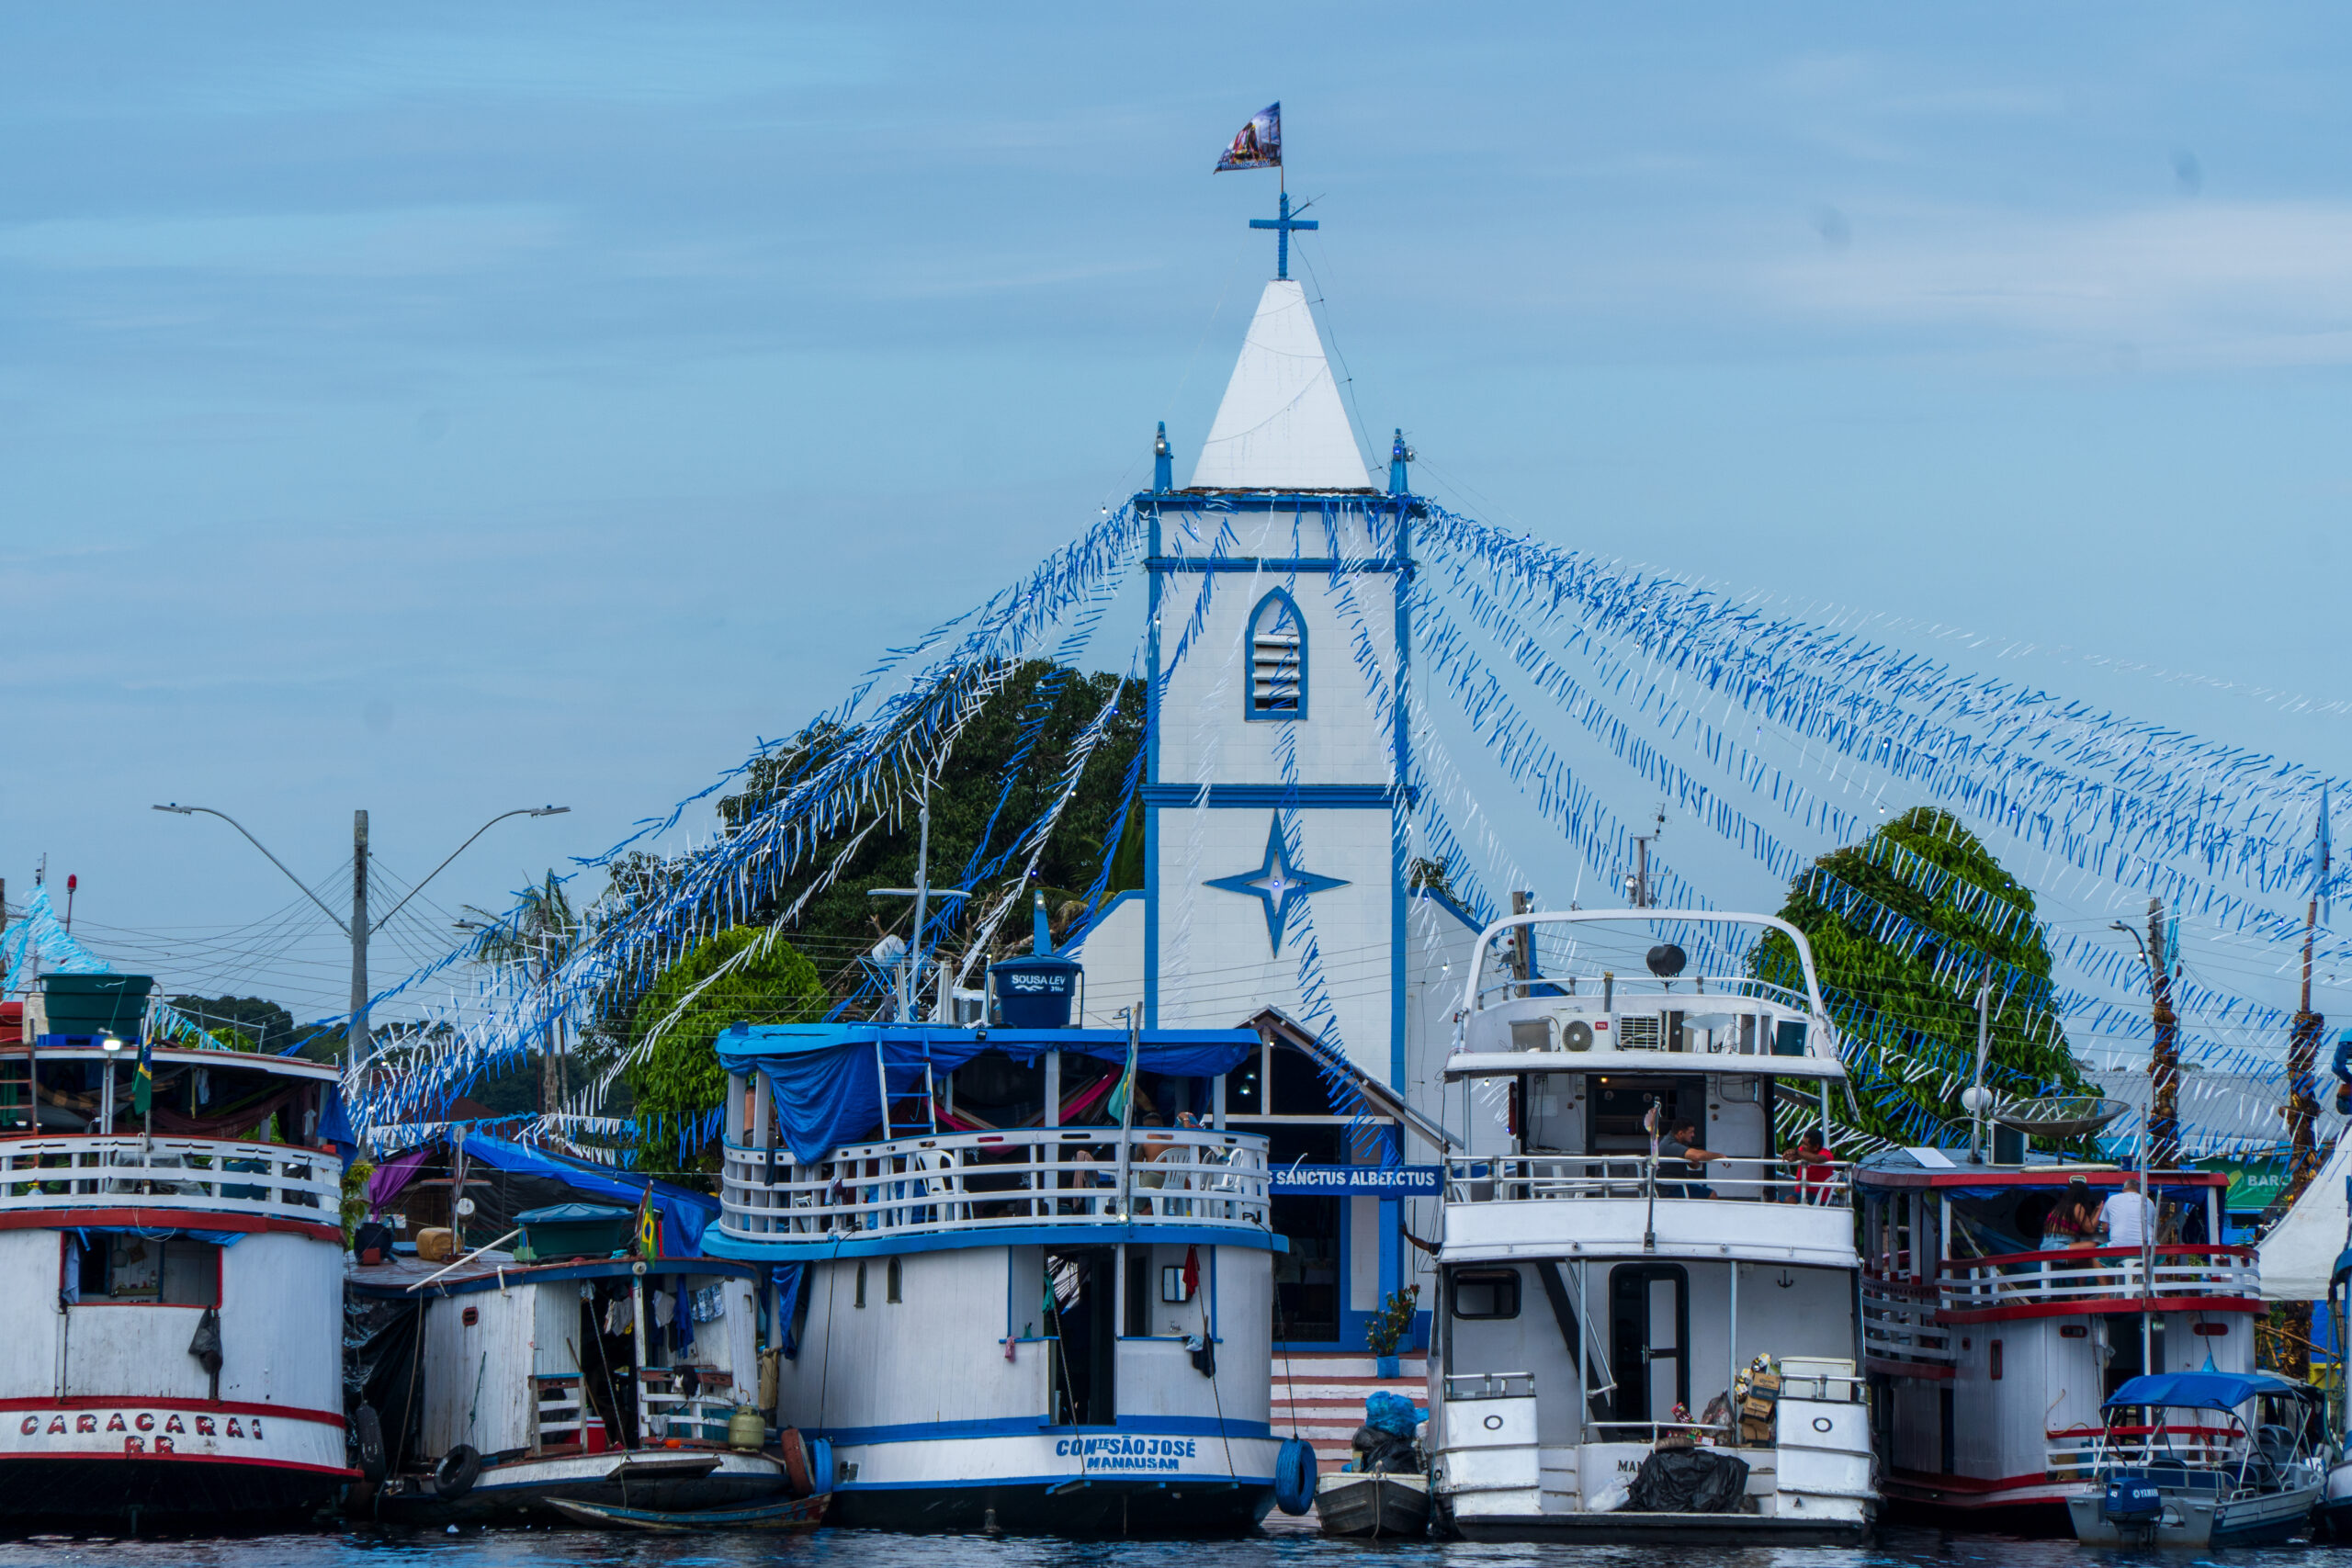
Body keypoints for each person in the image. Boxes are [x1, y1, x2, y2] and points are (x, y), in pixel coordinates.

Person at [2098, 1173, 2158, 1291]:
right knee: (2161, 1261)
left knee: (2096, 1257)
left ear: (2123, 1189)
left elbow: (2105, 1227)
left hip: (2119, 1248)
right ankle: (2153, 1290)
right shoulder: (2148, 1201)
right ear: (2139, 1190)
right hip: (2147, 1249)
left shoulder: (2112, 1199)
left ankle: (2107, 1293)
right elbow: (2153, 1226)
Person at [1657, 1119, 1729, 1198]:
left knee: (1703, 1190)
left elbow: (1694, 1165)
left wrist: (1695, 1159)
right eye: (1690, 1132)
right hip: (1670, 1188)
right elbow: (1697, 1156)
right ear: (1681, 1133)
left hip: (1677, 1184)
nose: (1693, 1135)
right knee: (1712, 1195)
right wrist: (1720, 1156)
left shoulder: (1677, 1142)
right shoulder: (1671, 1145)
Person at [1782, 1128, 1836, 1204]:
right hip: (1801, 1194)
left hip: (1817, 1197)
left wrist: (1797, 1153)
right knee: (1776, 1202)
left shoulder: (1827, 1154)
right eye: (1803, 1143)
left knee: (1789, 1200)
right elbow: (1793, 1157)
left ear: (1816, 1147)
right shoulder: (1803, 1152)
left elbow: (1817, 1159)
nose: (1802, 1146)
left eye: (1805, 1144)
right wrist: (1789, 1154)